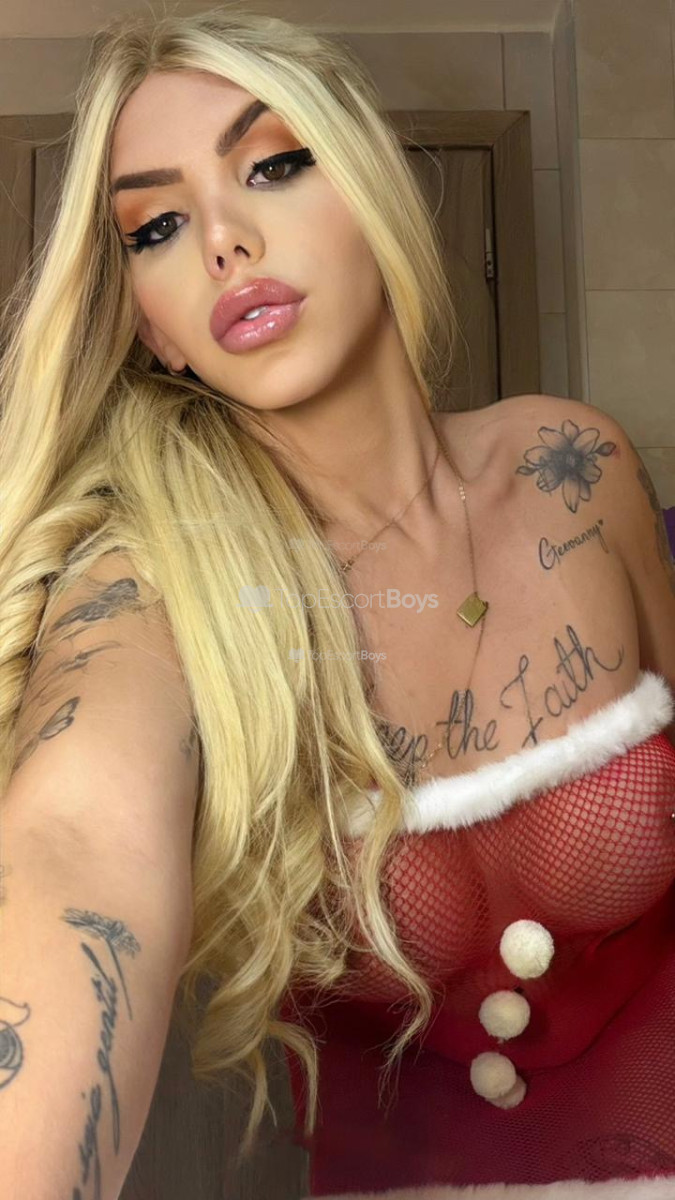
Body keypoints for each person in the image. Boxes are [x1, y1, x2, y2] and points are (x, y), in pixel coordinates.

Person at [0, 6, 674, 1197]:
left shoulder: (575, 466)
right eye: (157, 227)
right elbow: (73, 846)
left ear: (370, 185)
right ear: (152, 330)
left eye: (272, 165)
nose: (223, 240)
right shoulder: (155, 584)